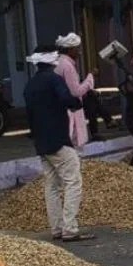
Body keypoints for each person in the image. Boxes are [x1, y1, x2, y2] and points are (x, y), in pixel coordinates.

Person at [23, 46, 93, 243]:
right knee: (73, 181)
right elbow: (68, 99)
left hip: (41, 142)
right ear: (52, 60)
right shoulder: (54, 79)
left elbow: (29, 115)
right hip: (58, 139)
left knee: (52, 185)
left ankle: (56, 228)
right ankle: (70, 228)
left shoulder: (30, 84)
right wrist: (77, 103)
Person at [53, 33, 96, 149]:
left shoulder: (59, 63)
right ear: (70, 50)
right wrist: (90, 77)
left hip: (61, 109)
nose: (80, 52)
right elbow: (76, 92)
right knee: (73, 145)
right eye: (77, 49)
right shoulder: (67, 66)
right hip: (70, 110)